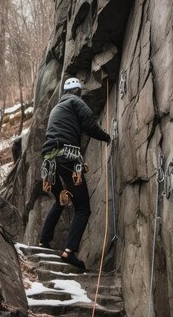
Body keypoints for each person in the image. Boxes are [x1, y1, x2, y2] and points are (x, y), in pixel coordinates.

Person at [38, 77, 111, 270]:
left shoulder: (56, 108)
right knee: (82, 208)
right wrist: (107, 138)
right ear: (78, 91)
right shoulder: (76, 101)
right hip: (67, 158)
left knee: (59, 200)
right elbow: (90, 124)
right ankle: (69, 252)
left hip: (49, 162)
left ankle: (43, 242)